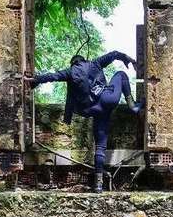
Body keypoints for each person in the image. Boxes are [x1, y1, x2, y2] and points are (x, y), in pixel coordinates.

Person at [31, 51, 144, 193]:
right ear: (83, 60)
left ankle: (98, 185)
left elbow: (51, 77)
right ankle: (133, 106)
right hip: (107, 100)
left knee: (100, 147)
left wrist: (34, 81)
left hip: (92, 110)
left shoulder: (70, 72)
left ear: (73, 63)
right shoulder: (94, 63)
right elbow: (115, 54)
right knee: (121, 75)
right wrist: (128, 59)